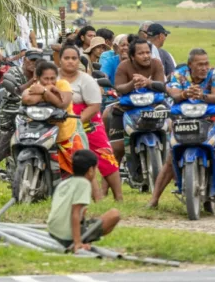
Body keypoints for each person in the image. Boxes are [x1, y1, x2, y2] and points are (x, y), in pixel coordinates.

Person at [146, 48, 215, 215]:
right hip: (184, 119)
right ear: (190, 65)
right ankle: (154, 199)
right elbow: (173, 93)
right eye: (200, 64)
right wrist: (185, 93)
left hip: (213, 120)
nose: (204, 67)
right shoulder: (179, 75)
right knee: (170, 159)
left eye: (206, 63)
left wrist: (202, 96)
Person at [58, 46, 123, 201]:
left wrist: (78, 122)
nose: (70, 62)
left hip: (87, 120)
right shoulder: (53, 77)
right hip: (61, 120)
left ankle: (118, 196)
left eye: (74, 58)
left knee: (105, 156)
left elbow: (94, 106)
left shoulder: (86, 79)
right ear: (59, 60)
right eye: (66, 58)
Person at [0, 48, 42, 180]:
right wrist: (33, 81)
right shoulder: (13, 72)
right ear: (25, 60)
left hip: (30, 120)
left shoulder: (43, 75)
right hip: (8, 120)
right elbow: (16, 91)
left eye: (38, 61)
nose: (34, 63)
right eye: (32, 60)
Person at [47, 150, 120, 253]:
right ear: (91, 170)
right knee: (114, 214)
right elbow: (75, 213)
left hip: (53, 232)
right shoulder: (83, 184)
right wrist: (77, 243)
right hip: (66, 237)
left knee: (88, 219)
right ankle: (82, 240)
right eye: (96, 169)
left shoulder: (65, 183)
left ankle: (84, 239)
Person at [108, 38, 166, 165]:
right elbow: (119, 88)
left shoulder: (156, 64)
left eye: (148, 52)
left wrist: (148, 82)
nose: (146, 56)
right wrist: (132, 83)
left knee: (173, 122)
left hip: (153, 104)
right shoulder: (123, 66)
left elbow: (161, 85)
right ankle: (106, 183)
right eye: (141, 53)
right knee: (117, 149)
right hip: (128, 106)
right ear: (132, 56)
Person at [22, 60, 84, 177]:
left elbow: (63, 104)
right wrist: (49, 92)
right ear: (38, 78)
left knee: (81, 168)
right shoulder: (34, 87)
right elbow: (28, 99)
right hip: (43, 134)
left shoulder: (63, 84)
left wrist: (44, 91)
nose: (50, 82)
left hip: (66, 134)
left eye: (53, 78)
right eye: (46, 79)